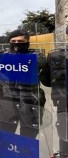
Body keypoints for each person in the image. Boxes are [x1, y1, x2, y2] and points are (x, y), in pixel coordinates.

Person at [0, 29, 48, 139]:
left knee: (28, 140)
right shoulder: (1, 57)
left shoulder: (37, 57)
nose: (16, 44)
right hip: (8, 102)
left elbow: (44, 71)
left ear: (27, 43)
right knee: (5, 137)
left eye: (21, 41)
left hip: (30, 103)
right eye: (13, 41)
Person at [45, 26, 68, 157]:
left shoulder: (56, 55)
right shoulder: (56, 55)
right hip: (63, 101)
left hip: (63, 101)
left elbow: (48, 80)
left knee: (64, 131)